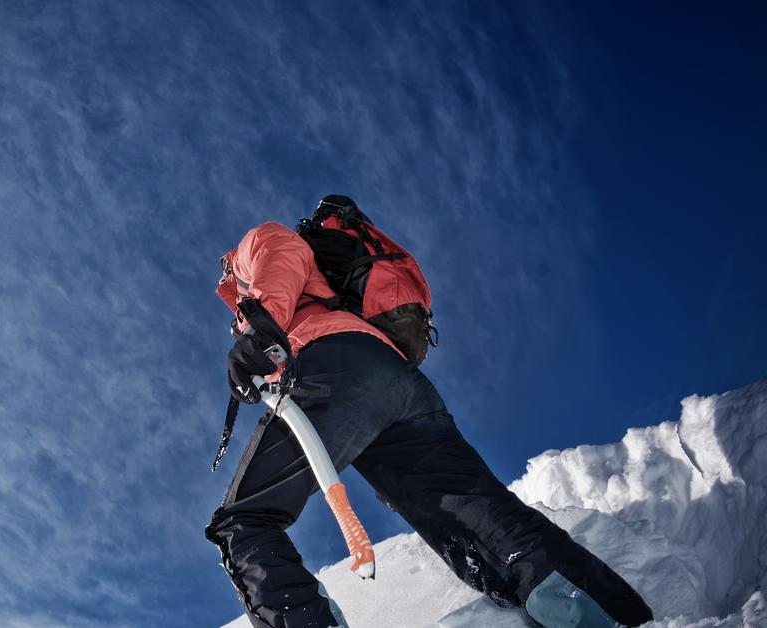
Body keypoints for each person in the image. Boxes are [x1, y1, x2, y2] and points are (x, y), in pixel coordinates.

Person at [205, 196, 654, 628]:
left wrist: (260, 328)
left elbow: (285, 250)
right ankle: (602, 613)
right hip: (395, 381)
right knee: (468, 509)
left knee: (244, 521)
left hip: (334, 368)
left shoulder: (256, 247)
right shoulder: (310, 289)